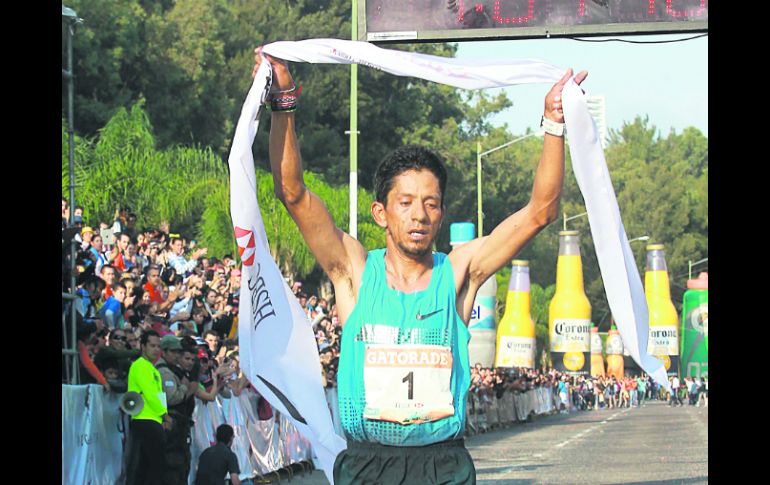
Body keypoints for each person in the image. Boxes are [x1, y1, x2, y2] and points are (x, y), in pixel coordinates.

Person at [254, 49, 586, 484]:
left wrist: (554, 124)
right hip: (369, 465)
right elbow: (293, 193)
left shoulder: (459, 273)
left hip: (441, 466)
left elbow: (540, 212)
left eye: (431, 204)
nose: (419, 216)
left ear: (441, 214)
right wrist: (284, 102)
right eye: (406, 203)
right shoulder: (354, 272)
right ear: (380, 213)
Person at [125, 330, 171, 485]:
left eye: (158, 346)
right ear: (143, 346)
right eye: (152, 346)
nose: (156, 349)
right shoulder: (140, 366)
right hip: (144, 419)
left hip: (153, 419)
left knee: (147, 466)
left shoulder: (151, 368)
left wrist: (162, 416)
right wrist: (165, 415)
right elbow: (150, 394)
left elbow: (158, 395)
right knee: (154, 466)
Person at [157, 335, 196, 485]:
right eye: (173, 352)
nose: (176, 355)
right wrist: (185, 387)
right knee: (174, 464)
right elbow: (172, 398)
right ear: (164, 352)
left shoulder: (172, 370)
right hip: (172, 423)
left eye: (178, 352)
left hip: (177, 423)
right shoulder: (164, 372)